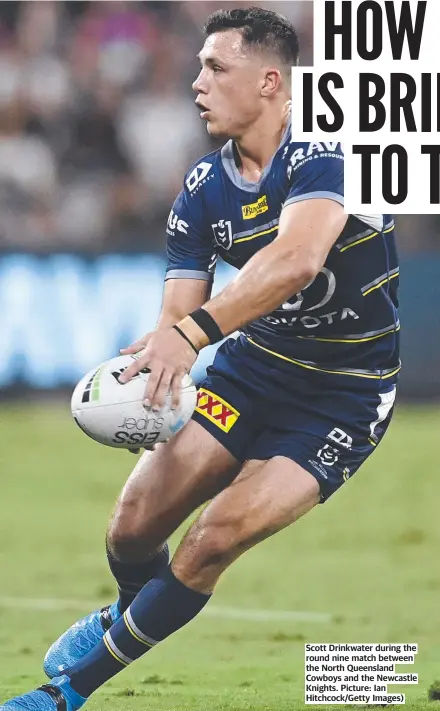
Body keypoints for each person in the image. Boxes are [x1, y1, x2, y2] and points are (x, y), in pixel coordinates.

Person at [1, 7, 400, 710]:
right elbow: (176, 315)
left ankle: (68, 692)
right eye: (198, 67)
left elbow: (298, 261)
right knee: (130, 526)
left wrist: (189, 337)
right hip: (254, 370)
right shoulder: (201, 191)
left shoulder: (330, 151)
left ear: (270, 81)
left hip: (343, 394)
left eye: (216, 67)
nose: (196, 82)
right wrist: (158, 379)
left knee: (212, 537)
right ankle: (123, 620)